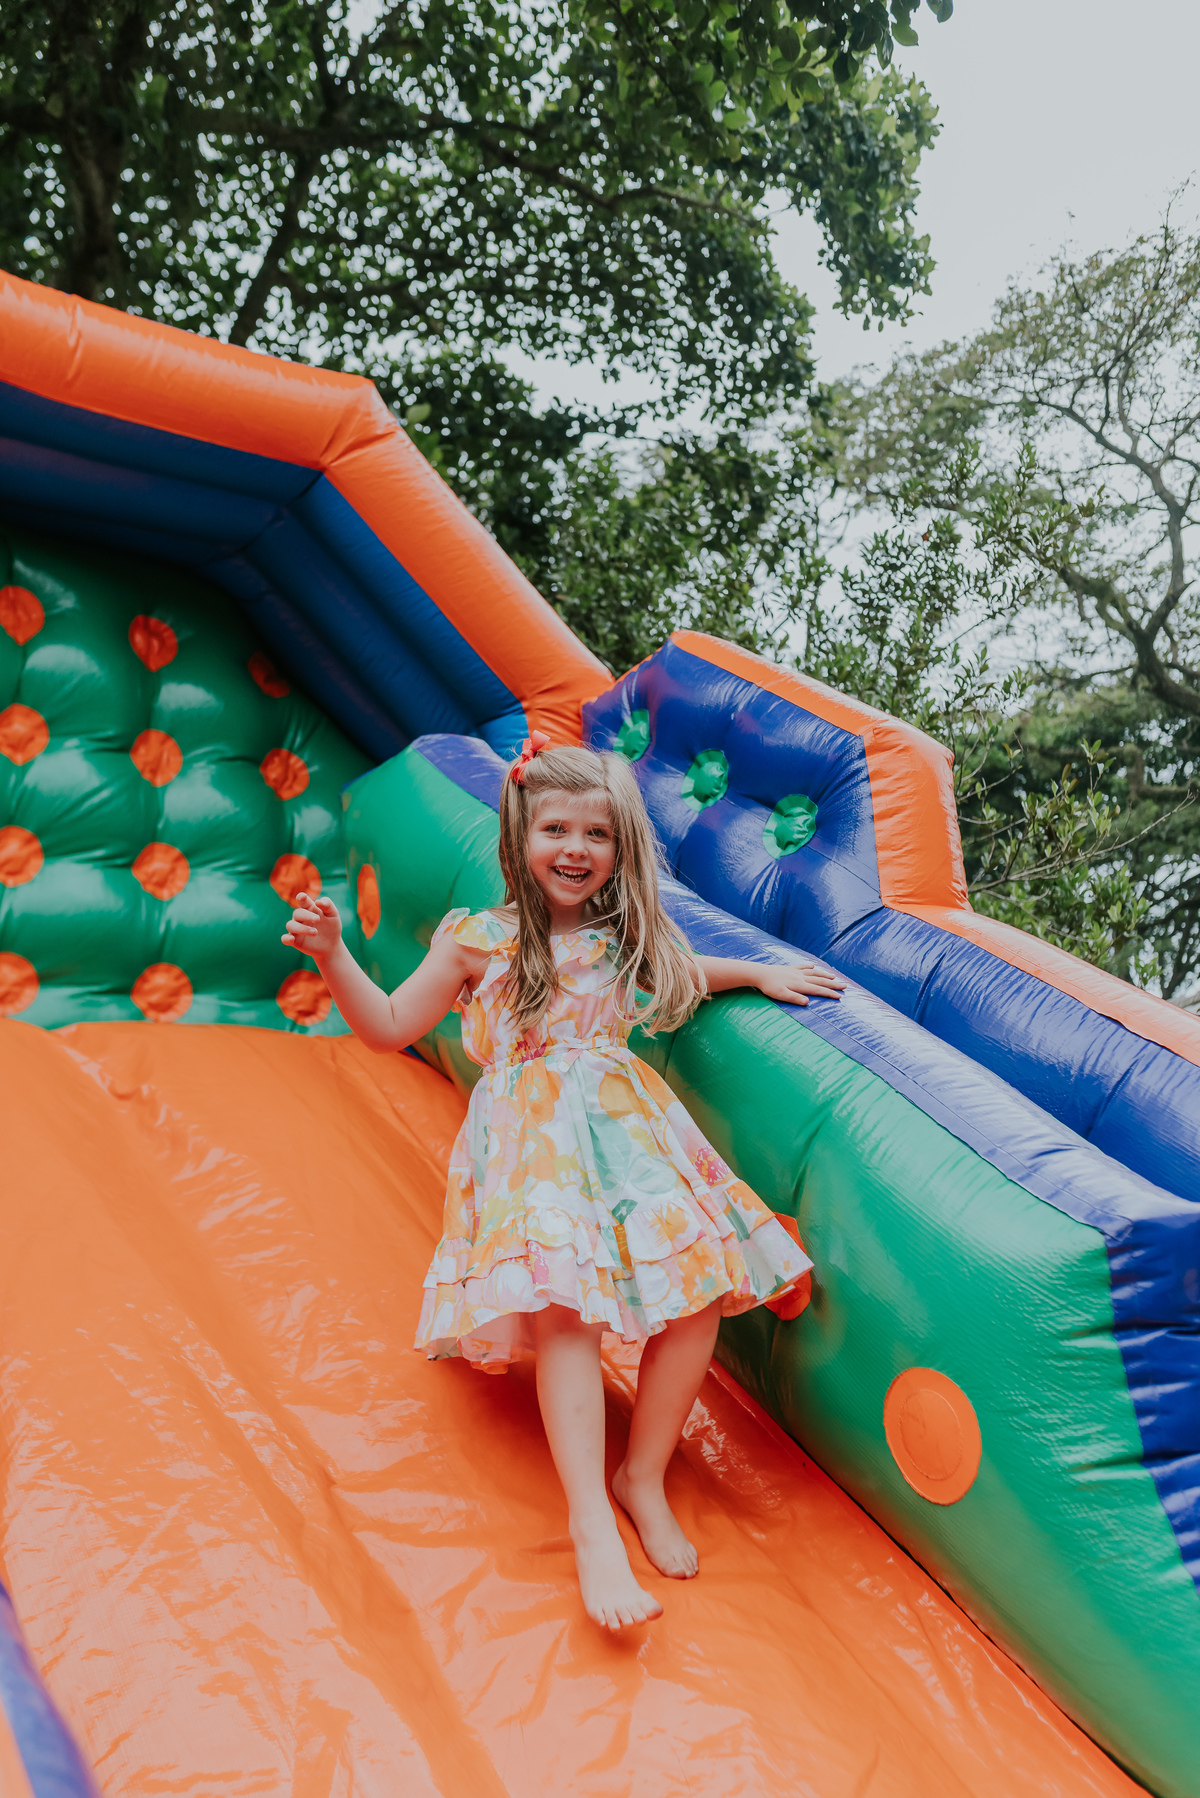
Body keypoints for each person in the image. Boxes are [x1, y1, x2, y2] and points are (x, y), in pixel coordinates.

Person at [282, 735, 846, 1631]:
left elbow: (684, 977)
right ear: (521, 836)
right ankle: (592, 1524)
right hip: (531, 1147)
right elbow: (389, 1026)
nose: (575, 849)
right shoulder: (479, 938)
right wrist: (333, 956)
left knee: (699, 1292)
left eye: (597, 833)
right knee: (564, 1310)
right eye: (556, 829)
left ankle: (642, 1476)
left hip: (627, 1134)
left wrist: (761, 973)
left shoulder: (627, 940)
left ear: (621, 846)